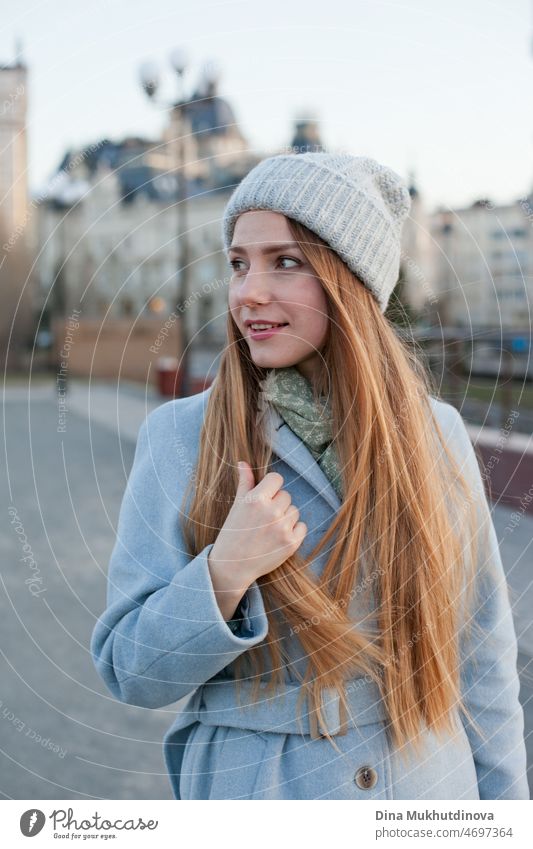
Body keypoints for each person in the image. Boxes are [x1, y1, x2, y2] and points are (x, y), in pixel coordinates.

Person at [90, 152, 529, 800]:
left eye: (283, 261)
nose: (247, 291)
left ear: (347, 279)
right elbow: (129, 668)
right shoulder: (180, 436)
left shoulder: (436, 435)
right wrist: (223, 572)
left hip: (423, 787)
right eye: (238, 262)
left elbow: (480, 660)